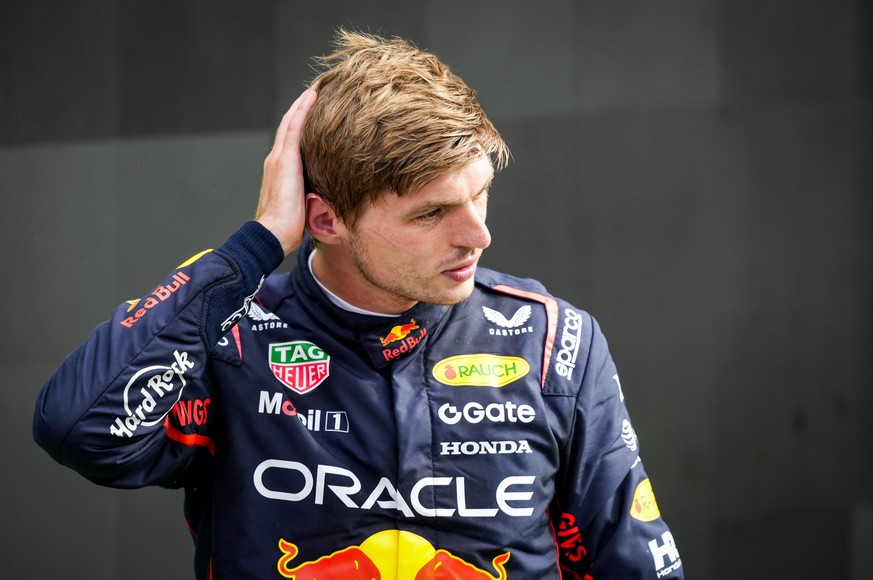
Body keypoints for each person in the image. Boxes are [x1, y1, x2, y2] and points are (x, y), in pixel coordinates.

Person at [33, 29, 683, 579]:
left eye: (478, 194)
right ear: (324, 220)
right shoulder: (231, 335)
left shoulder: (552, 342)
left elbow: (634, 564)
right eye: (431, 213)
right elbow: (79, 431)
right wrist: (252, 249)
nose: (477, 235)